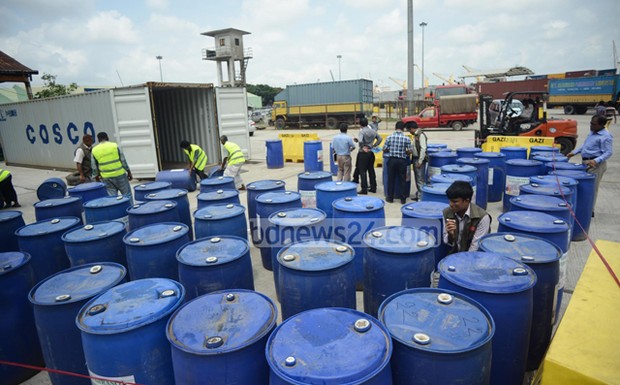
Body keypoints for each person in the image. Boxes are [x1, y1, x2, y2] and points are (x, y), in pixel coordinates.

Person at [567, 114, 613, 216]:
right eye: (590, 123)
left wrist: (596, 160)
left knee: (592, 188)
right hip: (585, 162)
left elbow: (608, 152)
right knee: (583, 187)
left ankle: (589, 210)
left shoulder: (606, 136)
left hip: (596, 165)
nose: (591, 126)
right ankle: (583, 207)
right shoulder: (593, 132)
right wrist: (574, 152)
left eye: (594, 124)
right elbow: (585, 145)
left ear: (602, 125)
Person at [442, 181, 491, 254]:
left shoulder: (482, 217)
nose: (451, 204)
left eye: (455, 202)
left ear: (466, 201)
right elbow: (447, 242)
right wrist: (450, 235)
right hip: (454, 255)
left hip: (474, 257)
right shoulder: (447, 213)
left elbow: (475, 247)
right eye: (450, 201)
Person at [91, 132, 133, 197]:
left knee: (112, 197)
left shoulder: (94, 150)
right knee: (127, 195)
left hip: (106, 177)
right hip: (120, 174)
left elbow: (94, 167)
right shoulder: (114, 145)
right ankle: (129, 207)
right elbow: (123, 161)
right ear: (107, 137)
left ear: (98, 139)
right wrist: (129, 172)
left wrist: (96, 177)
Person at [382, 121, 412, 204]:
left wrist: (390, 149)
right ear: (403, 129)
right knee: (402, 179)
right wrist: (404, 152)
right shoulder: (407, 138)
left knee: (391, 178)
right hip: (402, 160)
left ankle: (390, 197)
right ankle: (403, 199)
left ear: (395, 128)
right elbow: (410, 151)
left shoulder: (389, 137)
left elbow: (384, 149)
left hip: (392, 160)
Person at [353, 117, 382, 194]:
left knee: (362, 171)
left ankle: (364, 189)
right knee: (371, 170)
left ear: (360, 124)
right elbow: (380, 139)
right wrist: (374, 145)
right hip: (371, 152)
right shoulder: (373, 131)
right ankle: (373, 187)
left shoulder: (362, 132)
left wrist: (363, 147)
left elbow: (361, 141)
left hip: (363, 153)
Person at [407, 121, 427, 201]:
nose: (409, 132)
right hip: (415, 158)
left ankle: (421, 198)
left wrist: (420, 161)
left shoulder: (421, 135)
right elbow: (415, 147)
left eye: (409, 130)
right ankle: (419, 194)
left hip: (419, 159)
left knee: (420, 179)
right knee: (417, 178)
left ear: (412, 128)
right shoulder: (416, 135)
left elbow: (423, 148)